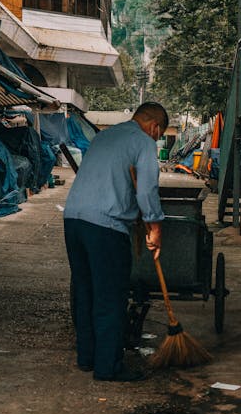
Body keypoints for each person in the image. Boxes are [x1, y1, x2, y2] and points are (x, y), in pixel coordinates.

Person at [63, 102, 168, 382]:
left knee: (85, 292)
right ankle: (108, 367)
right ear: (154, 127)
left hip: (73, 219)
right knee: (110, 297)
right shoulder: (144, 142)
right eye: (159, 135)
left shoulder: (104, 136)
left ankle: (87, 358)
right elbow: (147, 190)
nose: (156, 140)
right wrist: (154, 227)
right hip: (105, 226)